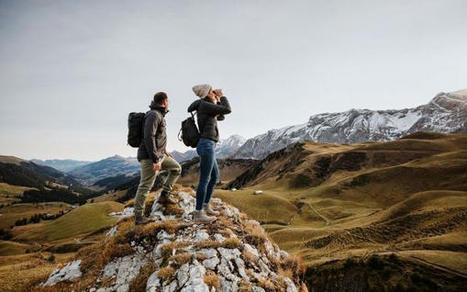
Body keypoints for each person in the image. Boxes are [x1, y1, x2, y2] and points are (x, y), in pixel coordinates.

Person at [134, 92, 182, 225]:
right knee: (145, 186)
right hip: (150, 157)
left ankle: (164, 195)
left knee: (176, 168)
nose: (169, 103)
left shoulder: (158, 114)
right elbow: (149, 137)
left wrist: (164, 150)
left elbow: (157, 137)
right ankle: (139, 217)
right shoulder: (154, 115)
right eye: (168, 101)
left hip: (159, 154)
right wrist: (155, 159)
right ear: (165, 101)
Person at [188, 84, 232, 223]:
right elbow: (227, 110)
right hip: (206, 144)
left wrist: (217, 99)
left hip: (208, 144)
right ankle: (198, 213)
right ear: (206, 93)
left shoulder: (207, 106)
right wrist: (222, 96)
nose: (214, 92)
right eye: (211, 91)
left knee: (215, 176)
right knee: (205, 179)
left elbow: (221, 117)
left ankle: (205, 205)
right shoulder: (204, 105)